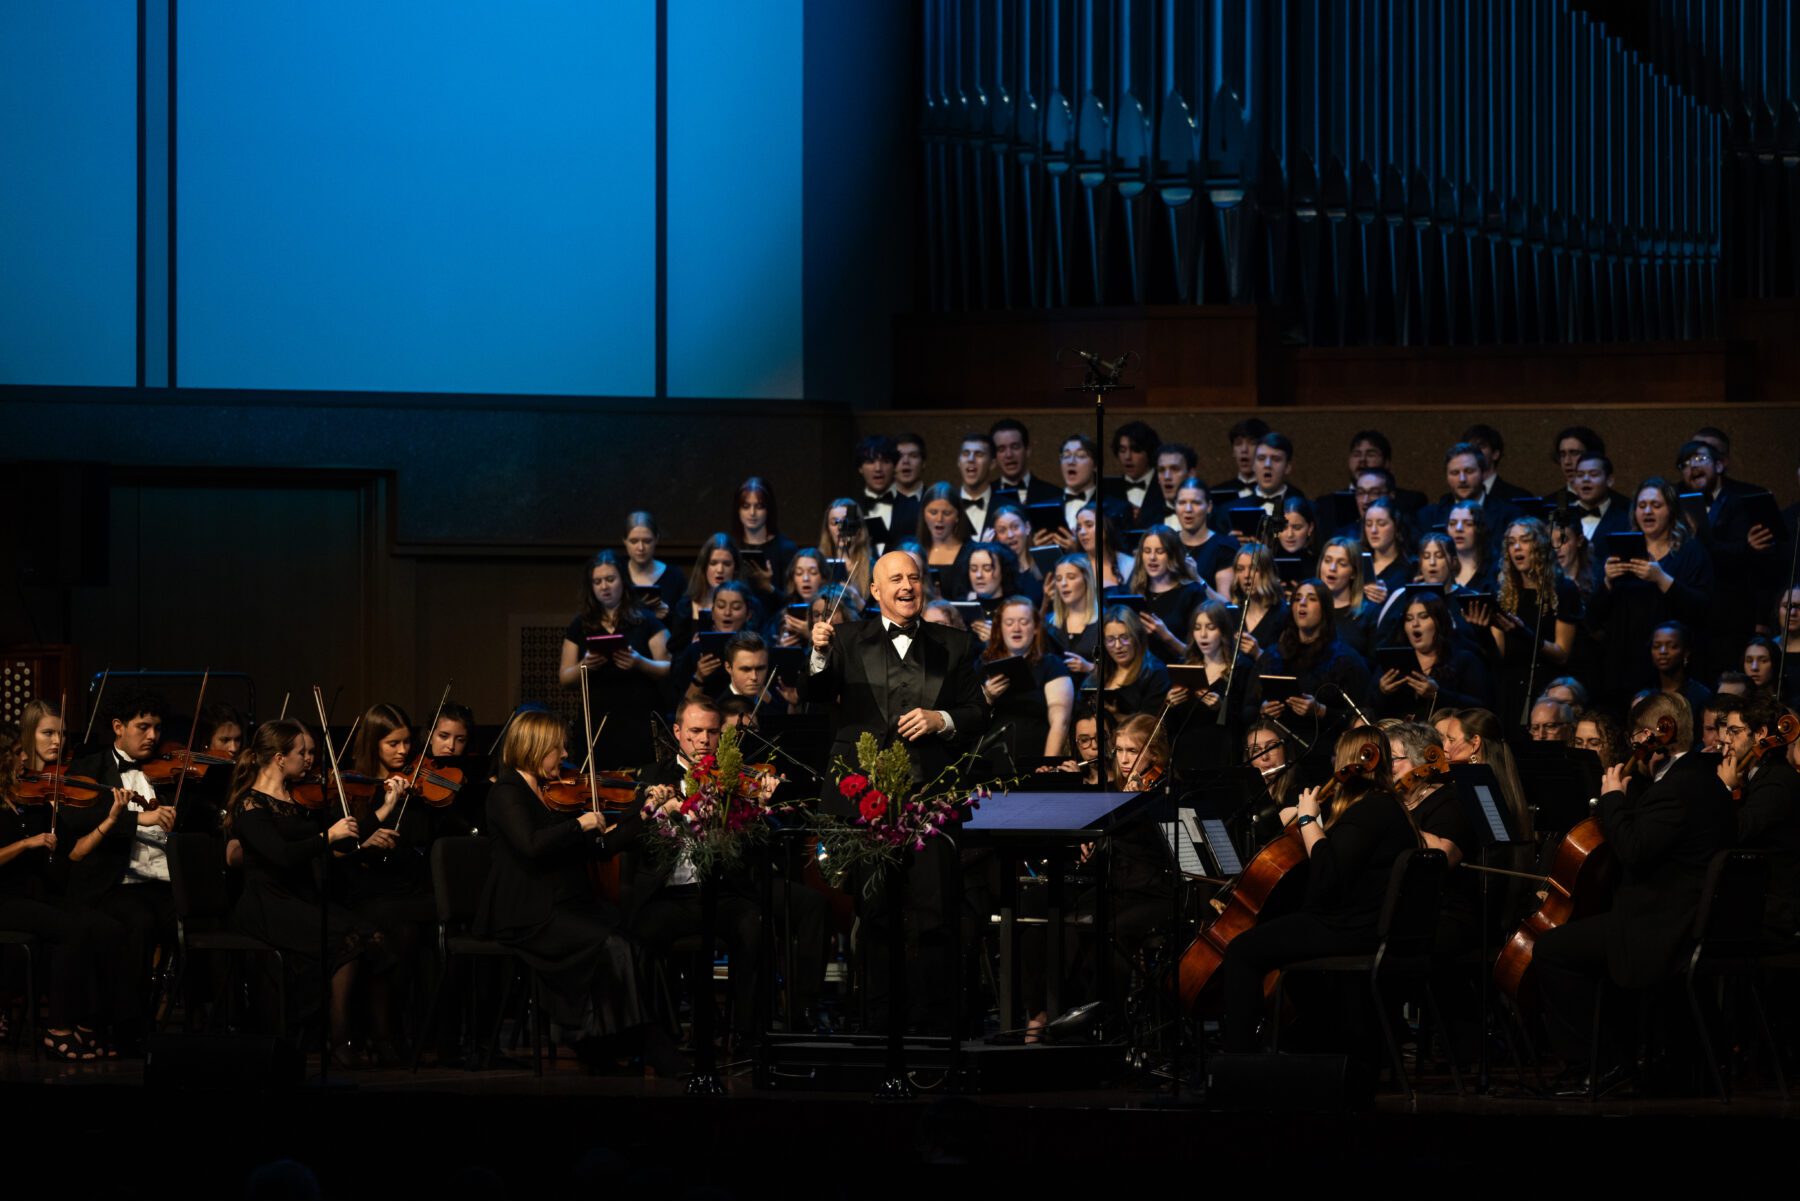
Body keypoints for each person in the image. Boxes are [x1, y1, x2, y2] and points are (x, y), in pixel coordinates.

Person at [803, 550, 986, 1032]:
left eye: (914, 577)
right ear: (876, 591)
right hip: (865, 798)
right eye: (896, 579)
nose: (907, 586)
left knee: (934, 915)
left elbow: (977, 713)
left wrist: (940, 719)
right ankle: (877, 1026)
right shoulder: (846, 637)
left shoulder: (954, 644)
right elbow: (816, 694)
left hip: (930, 799)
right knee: (876, 913)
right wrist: (818, 653)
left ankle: (933, 1030)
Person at [1531, 692, 1736, 1093]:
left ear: (1653, 733)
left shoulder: (1677, 789)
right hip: (1681, 917)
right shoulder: (1702, 779)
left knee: (1551, 950)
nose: (1633, 745)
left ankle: (1604, 1064)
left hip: (1661, 928)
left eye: (1635, 735)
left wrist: (1612, 799)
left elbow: (1633, 849)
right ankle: (1616, 1056)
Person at [476, 708, 683, 1075]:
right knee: (613, 945)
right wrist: (578, 824)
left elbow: (602, 848)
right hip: (528, 912)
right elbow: (531, 845)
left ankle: (608, 1044)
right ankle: (648, 1045)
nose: (566, 755)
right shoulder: (506, 791)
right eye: (558, 748)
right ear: (535, 747)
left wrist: (646, 813)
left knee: (635, 945)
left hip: (567, 904)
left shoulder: (555, 791)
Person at [1219, 727, 1417, 1053]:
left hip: (1353, 927)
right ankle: (1324, 1045)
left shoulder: (1369, 811)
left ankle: (1239, 1058)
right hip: (1364, 923)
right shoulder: (1384, 807)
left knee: (1241, 950)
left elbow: (1327, 876)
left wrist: (1308, 821)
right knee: (1293, 963)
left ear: (1349, 760)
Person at [226, 719, 389, 1066]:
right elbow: (282, 855)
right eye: (302, 753)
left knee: (372, 935)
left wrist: (381, 812)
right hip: (267, 904)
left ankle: (374, 1038)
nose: (309, 759)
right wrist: (327, 837)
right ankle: (339, 1041)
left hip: (300, 898)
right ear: (280, 759)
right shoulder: (250, 805)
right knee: (348, 940)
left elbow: (338, 844)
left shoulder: (297, 797)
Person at [625, 697, 773, 1051]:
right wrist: (655, 809)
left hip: (720, 892)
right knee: (640, 936)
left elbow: (755, 848)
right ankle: (661, 1037)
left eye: (712, 732)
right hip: (668, 895)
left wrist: (758, 810)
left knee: (755, 924)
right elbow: (629, 836)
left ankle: (748, 1035)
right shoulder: (650, 777)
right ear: (677, 732)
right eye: (695, 731)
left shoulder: (735, 778)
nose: (704, 740)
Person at [0, 722, 130, 1061]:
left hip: (36, 896)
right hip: (6, 899)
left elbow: (74, 853)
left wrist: (110, 819)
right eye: (16, 753)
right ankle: (57, 1028)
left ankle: (89, 1024)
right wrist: (26, 844)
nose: (25, 757)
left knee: (109, 929)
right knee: (72, 930)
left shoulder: (31, 802)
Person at [62, 687, 180, 1056]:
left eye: (157, 727)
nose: (153, 736)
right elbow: (78, 817)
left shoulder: (169, 771)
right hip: (118, 885)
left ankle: (214, 1027)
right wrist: (138, 818)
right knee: (139, 924)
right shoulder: (90, 767)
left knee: (200, 921)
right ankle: (129, 1028)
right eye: (143, 727)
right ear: (118, 727)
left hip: (167, 883)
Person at [1585, 477, 1715, 706]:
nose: (1647, 511)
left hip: (1671, 666)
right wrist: (1607, 582)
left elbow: (1702, 609)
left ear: (1671, 510)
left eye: (1656, 505)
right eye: (1642, 505)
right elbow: (1593, 617)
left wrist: (1661, 579)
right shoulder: (1621, 550)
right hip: (1625, 665)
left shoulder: (1690, 551)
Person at [558, 549, 672, 770]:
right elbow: (565, 677)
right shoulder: (580, 624)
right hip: (597, 721)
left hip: (638, 719)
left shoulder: (645, 619)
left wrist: (639, 662)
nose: (604, 586)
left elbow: (668, 667)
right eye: (597, 581)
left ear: (623, 580)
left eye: (610, 579)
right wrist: (585, 665)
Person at [1482, 518, 1583, 721]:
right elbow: (1499, 654)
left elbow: (1562, 654)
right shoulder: (1502, 593)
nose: (1517, 547)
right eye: (1511, 542)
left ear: (1540, 545)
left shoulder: (1563, 590)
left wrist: (1523, 634)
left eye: (1525, 540)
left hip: (1547, 690)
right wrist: (1481, 628)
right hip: (1510, 689)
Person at [1717, 694, 1800, 938]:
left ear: (1761, 733)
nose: (1726, 739)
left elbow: (1737, 832)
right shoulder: (1758, 776)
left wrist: (1725, 789)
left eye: (1734, 731)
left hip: (1772, 914)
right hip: (1756, 903)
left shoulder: (1777, 783)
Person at [1257, 580, 1373, 750]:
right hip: (1279, 750)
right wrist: (1263, 710)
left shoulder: (1345, 659)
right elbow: (1248, 707)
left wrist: (1320, 711)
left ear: (1325, 609)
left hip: (1325, 750)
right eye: (1297, 598)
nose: (1302, 603)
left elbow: (1361, 716)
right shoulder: (1273, 655)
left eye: (1312, 599)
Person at [978, 597, 1076, 771]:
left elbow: (1060, 721)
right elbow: (969, 717)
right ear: (1000, 628)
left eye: (1024, 622)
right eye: (1009, 623)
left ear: (1036, 627)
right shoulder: (982, 665)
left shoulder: (1051, 665)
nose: (1016, 628)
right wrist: (988, 696)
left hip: (1034, 762)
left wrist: (1047, 765)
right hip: (990, 763)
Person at [1166, 600, 1261, 779]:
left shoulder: (1240, 667)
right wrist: (1170, 704)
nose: (1203, 635)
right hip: (1187, 754)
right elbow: (1172, 724)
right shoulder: (1184, 666)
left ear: (1223, 631)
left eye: (1210, 627)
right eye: (1197, 628)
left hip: (1222, 754)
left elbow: (1248, 717)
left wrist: (1221, 707)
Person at [1375, 593, 1492, 722]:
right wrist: (1382, 692)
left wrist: (1437, 694)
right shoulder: (1395, 661)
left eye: (1423, 617)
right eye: (1409, 619)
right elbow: (1370, 707)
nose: (1415, 624)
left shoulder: (1464, 660)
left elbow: (1481, 709)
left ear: (1439, 622)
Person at [1434, 708, 1531, 842]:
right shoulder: (1503, 780)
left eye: (1451, 740)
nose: (1445, 747)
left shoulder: (1476, 787)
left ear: (1475, 743)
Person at [1129, 525, 1205, 662]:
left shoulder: (1192, 593)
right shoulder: (1133, 592)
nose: (1152, 557)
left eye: (1160, 551)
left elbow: (1199, 656)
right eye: (1147, 551)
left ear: (1172, 555)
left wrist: (1166, 636)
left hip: (1177, 670)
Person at [1092, 606, 1171, 719]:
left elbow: (1149, 722)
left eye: (1124, 637)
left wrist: (1117, 716)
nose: (1118, 646)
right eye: (1110, 639)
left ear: (1137, 637)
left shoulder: (1155, 673)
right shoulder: (1103, 670)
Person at [1169, 476, 1238, 597]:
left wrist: (1197, 579)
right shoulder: (1167, 544)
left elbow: (1226, 604)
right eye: (1182, 503)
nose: (1188, 509)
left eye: (1196, 503)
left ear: (1209, 507)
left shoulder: (1224, 547)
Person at [1648, 621, 1713, 746]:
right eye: (1656, 646)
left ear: (1686, 652)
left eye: (1672, 646)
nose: (1663, 651)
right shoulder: (1648, 696)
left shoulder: (1700, 696)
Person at [731, 476, 798, 588]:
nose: (752, 513)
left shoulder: (786, 549)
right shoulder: (730, 547)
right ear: (738, 510)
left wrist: (769, 588)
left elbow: (791, 595)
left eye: (759, 506)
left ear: (768, 510)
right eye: (746, 506)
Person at [1317, 537, 1377, 659]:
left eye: (1342, 564)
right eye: (1327, 561)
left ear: (1354, 573)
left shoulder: (1369, 614)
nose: (1332, 568)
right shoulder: (1310, 609)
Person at [1044, 553, 1102, 679]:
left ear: (1086, 580)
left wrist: (1090, 667)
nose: (1063, 583)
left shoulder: (1104, 622)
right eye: (1058, 579)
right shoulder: (1049, 623)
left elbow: (1118, 669)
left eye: (1071, 577)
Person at [854, 435, 917, 551]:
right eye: (871, 461)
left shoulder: (914, 508)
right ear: (860, 468)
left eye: (885, 461)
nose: (878, 468)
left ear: (894, 466)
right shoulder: (851, 510)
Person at [623, 511, 686, 622]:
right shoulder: (618, 575)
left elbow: (684, 622)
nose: (641, 548)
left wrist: (669, 613)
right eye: (634, 541)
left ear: (656, 540)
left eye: (647, 541)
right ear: (625, 541)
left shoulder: (675, 577)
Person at [917, 481, 975, 598]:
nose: (939, 519)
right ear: (924, 514)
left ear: (957, 516)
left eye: (947, 513)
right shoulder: (915, 551)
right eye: (933, 512)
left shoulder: (971, 552)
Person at [1231, 541, 1287, 659]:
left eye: (1254, 569)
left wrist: (1258, 653)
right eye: (1240, 569)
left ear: (1267, 572)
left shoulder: (1283, 615)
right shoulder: (1234, 614)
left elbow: (1287, 664)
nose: (1246, 575)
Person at [989, 418, 1062, 508]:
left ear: (1027, 450)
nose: (1009, 454)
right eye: (1001, 449)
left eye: (1015, 447)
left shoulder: (1055, 494)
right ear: (994, 456)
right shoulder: (986, 495)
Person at [818, 498, 874, 600]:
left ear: (858, 527)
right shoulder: (819, 563)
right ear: (828, 529)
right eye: (835, 522)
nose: (840, 527)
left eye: (845, 522)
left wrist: (855, 597)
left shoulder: (872, 566)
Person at [1109, 420, 1162, 524]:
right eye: (1122, 450)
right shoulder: (1108, 490)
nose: (1127, 457)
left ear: (1149, 451)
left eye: (1135, 450)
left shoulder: (1163, 485)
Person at [952, 432, 1000, 540]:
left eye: (979, 454)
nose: (971, 459)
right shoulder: (946, 505)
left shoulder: (1006, 506)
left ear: (992, 464)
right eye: (965, 454)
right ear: (959, 462)